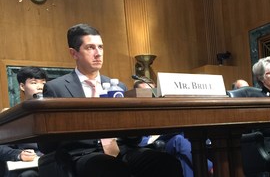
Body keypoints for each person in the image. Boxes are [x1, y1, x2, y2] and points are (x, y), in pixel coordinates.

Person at [39, 23, 183, 177]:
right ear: (74, 53)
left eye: (100, 47)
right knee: (107, 167)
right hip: (84, 155)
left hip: (123, 150)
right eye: (90, 48)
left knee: (165, 162)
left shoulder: (118, 86)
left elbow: (132, 138)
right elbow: (46, 143)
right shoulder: (56, 88)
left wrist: (135, 128)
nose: (98, 53)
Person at [134, 78, 213, 177]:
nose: (151, 95)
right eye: (146, 92)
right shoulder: (135, 110)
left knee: (182, 154)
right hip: (146, 144)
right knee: (179, 140)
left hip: (166, 139)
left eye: (153, 91)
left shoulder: (160, 109)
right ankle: (212, 169)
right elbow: (137, 138)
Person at [0, 67, 47, 177]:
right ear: (22, 86)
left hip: (52, 160)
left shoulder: (55, 113)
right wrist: (18, 154)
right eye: (34, 83)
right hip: (28, 166)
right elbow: (1, 147)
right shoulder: (13, 115)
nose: (40, 87)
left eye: (43, 83)